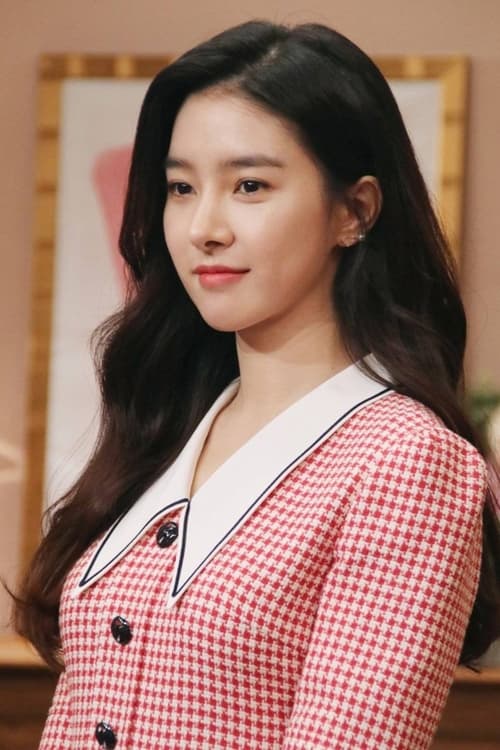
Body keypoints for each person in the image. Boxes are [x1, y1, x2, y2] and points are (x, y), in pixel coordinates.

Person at [15, 19, 500, 750]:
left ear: (354, 211)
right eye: (181, 188)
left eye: (249, 185)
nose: (203, 227)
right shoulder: (167, 428)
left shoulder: (407, 462)